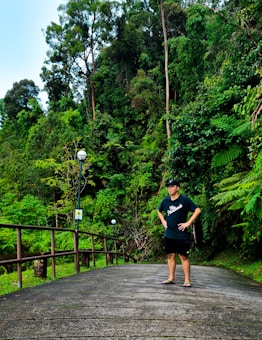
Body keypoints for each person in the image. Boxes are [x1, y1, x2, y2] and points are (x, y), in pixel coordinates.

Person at [157, 179, 201, 287]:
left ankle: (187, 280)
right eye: (168, 187)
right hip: (169, 234)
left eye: (172, 186)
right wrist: (163, 221)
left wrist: (188, 223)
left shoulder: (184, 200)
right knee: (170, 255)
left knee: (183, 256)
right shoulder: (165, 201)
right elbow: (159, 210)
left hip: (181, 234)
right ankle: (171, 278)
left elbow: (197, 210)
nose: (170, 189)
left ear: (178, 188)